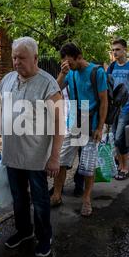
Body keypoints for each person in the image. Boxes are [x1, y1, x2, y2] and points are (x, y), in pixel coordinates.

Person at [0, 37, 63, 257]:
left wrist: (54, 158)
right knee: (18, 197)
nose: (16, 62)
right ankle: (24, 231)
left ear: (35, 58)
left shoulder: (48, 84)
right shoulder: (8, 79)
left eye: (21, 58)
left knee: (40, 201)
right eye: (14, 57)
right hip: (12, 154)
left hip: (36, 157)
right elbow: (2, 109)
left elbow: (60, 124)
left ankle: (44, 237)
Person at [50, 42, 108, 217]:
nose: (69, 65)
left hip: (91, 121)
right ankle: (57, 195)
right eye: (65, 62)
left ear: (79, 57)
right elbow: (55, 89)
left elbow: (104, 101)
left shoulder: (97, 72)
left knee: (88, 165)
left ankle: (86, 199)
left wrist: (100, 127)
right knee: (61, 161)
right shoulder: (70, 73)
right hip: (74, 121)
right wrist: (62, 73)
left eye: (70, 62)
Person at [108, 38, 129, 180]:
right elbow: (108, 87)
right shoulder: (112, 66)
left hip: (126, 108)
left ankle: (125, 168)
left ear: (125, 50)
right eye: (113, 50)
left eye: (117, 49)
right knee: (116, 138)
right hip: (114, 109)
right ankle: (120, 165)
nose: (115, 52)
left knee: (118, 138)